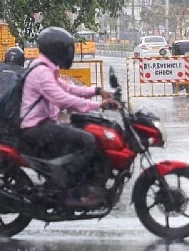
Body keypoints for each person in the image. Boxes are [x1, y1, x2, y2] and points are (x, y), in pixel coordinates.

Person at [18, 27, 119, 209]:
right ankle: (67, 189)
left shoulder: (45, 68)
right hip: (35, 128)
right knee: (87, 140)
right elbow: (62, 99)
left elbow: (69, 89)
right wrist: (98, 105)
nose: (68, 53)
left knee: (84, 131)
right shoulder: (41, 72)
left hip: (43, 124)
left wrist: (98, 91)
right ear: (55, 49)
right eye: (66, 49)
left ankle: (80, 184)